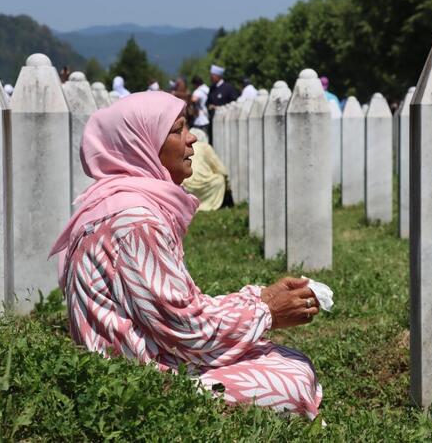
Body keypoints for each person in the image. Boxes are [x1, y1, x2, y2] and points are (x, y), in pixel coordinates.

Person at [50, 91, 323, 418]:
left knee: (287, 359)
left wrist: (261, 297)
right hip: (132, 383)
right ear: (144, 144)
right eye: (177, 130)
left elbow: (178, 307)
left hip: (138, 360)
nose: (191, 139)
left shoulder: (124, 206)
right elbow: (185, 328)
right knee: (290, 378)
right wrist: (267, 314)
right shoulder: (136, 222)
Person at [182, 128, 230, 211]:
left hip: (185, 185)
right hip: (205, 185)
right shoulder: (205, 147)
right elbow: (220, 169)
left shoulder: (184, 147)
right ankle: (208, 205)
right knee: (219, 179)